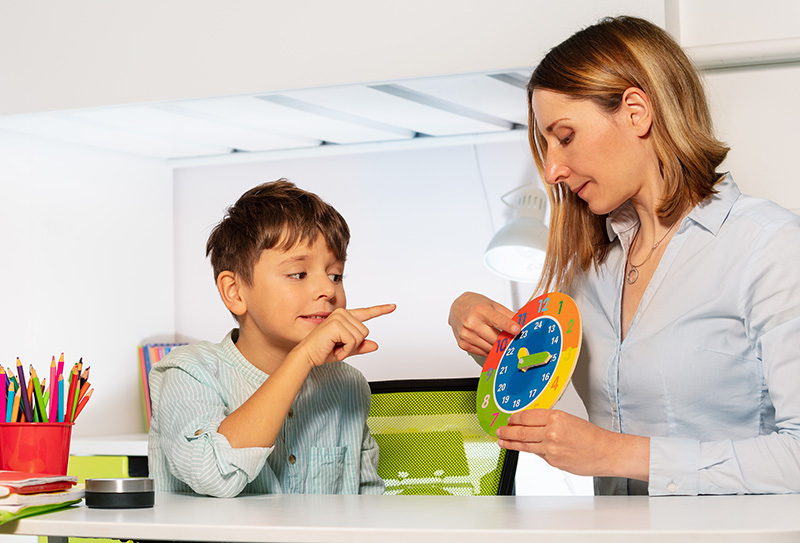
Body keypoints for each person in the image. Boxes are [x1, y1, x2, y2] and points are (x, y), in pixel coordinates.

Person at [449, 16, 800, 496]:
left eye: (565, 136)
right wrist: (491, 347)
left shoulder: (767, 245)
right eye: (546, 145)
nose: (552, 169)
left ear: (636, 112)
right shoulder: (589, 272)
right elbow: (567, 431)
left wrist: (619, 454)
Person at [148, 179, 395, 497]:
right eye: (299, 274)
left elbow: (367, 499)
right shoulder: (187, 372)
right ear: (235, 292)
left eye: (335, 274)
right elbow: (212, 475)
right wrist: (302, 358)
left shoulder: (348, 384)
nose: (328, 289)